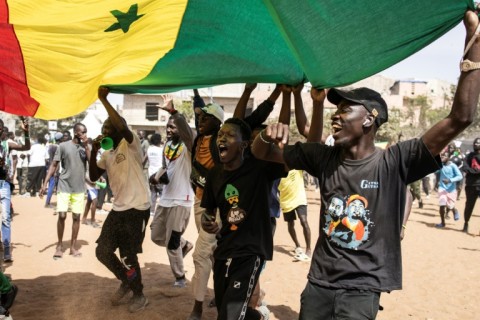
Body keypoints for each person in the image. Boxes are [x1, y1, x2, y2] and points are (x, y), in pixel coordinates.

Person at [251, 11, 480, 319]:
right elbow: (263, 154)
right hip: (318, 285)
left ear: (370, 118)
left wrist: (474, 42)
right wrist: (265, 137)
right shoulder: (323, 157)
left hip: (361, 292)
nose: (336, 115)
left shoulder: (395, 161)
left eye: (345, 109)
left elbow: (460, 118)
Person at [188, 85, 281, 320]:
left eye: (229, 135)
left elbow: (246, 121)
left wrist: (281, 94)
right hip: (224, 251)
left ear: (244, 145)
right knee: (226, 308)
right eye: (221, 134)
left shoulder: (260, 170)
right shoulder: (215, 174)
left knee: (229, 316)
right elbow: (209, 210)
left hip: (249, 252)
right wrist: (209, 222)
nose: (222, 138)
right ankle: (256, 318)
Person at [88, 87, 151, 313]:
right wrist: (93, 150)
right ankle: (127, 280)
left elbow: (122, 126)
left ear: (117, 130)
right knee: (102, 251)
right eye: (103, 128)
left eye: (108, 128)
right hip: (119, 208)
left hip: (138, 207)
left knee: (127, 254)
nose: (104, 131)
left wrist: (103, 99)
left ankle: (139, 293)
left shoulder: (130, 144)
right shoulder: (107, 153)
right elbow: (94, 176)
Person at [150, 96, 194, 288]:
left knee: (171, 242)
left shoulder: (188, 146)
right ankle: (185, 245)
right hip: (166, 198)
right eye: (168, 127)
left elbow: (187, 133)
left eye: (173, 127)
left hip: (182, 200)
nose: (169, 130)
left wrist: (174, 113)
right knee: (156, 235)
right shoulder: (167, 146)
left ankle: (180, 277)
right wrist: (156, 177)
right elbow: (164, 167)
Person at [40, 123, 88, 259]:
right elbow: (54, 165)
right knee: (62, 216)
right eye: (82, 132)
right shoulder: (63, 146)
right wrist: (45, 184)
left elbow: (91, 161)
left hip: (79, 187)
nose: (84, 134)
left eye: (85, 132)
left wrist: (87, 146)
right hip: (64, 185)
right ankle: (60, 245)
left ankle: (73, 247)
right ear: (75, 132)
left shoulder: (86, 148)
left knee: (76, 217)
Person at [0, 118, 30, 263]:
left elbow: (26, 147)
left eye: (0, 127)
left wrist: (26, 132)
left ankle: (7, 249)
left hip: (3, 184)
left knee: (6, 218)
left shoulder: (7, 144)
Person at [435, 151, 463, 228]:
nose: (442, 158)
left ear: (448, 157)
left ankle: (455, 210)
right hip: (442, 188)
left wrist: (450, 180)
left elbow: (460, 176)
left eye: (444, 156)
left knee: (450, 206)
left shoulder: (453, 166)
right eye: (441, 157)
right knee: (442, 204)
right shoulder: (441, 165)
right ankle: (443, 222)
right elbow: (435, 171)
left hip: (451, 189)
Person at [462, 137, 480, 233]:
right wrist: (474, 171)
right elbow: (465, 167)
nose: (476, 144)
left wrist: (473, 171)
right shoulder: (469, 156)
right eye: (475, 143)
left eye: (478, 143)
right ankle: (466, 223)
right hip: (471, 185)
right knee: (469, 205)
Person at [44, 132, 63, 209]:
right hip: (55, 169)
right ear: (61, 139)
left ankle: (49, 202)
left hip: (49, 167)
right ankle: (47, 203)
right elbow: (56, 162)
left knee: (51, 186)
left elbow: (48, 159)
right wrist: (55, 171)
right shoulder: (58, 147)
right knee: (53, 186)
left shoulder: (50, 146)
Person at [146, 133, 163, 215]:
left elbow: (143, 161)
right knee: (162, 193)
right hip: (160, 175)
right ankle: (162, 211)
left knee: (153, 193)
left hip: (151, 174)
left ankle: (152, 211)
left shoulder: (149, 149)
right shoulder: (162, 150)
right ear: (159, 141)